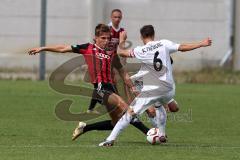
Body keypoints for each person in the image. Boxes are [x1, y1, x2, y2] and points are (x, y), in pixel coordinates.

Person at [28, 23, 149, 141]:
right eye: (103, 38)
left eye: (108, 38)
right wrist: (43, 48)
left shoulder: (112, 53)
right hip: (101, 89)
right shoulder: (88, 48)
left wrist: (133, 89)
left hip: (111, 89)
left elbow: (123, 73)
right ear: (95, 38)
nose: (106, 41)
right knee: (125, 108)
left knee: (115, 122)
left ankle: (84, 128)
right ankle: (149, 132)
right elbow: (63, 48)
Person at [99, 25, 212, 146]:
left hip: (153, 88)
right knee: (159, 105)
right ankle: (162, 134)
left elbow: (121, 52)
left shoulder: (141, 50)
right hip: (169, 88)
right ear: (154, 34)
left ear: (142, 37)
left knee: (130, 112)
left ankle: (110, 140)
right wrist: (201, 43)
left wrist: (122, 39)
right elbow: (182, 47)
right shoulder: (164, 43)